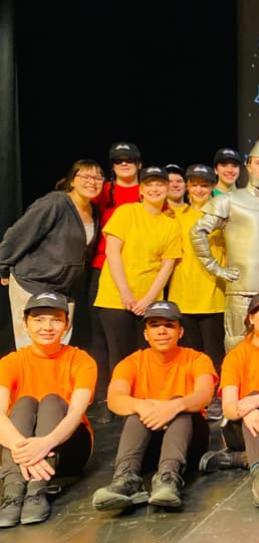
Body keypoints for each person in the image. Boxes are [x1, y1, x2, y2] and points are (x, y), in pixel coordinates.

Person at [92, 301, 216, 511]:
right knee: (135, 411)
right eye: (155, 325)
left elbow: (204, 394)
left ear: (180, 331)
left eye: (169, 325)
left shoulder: (198, 359)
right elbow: (114, 398)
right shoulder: (131, 363)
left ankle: (168, 478)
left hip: (189, 442)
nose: (161, 331)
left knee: (180, 407)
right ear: (146, 333)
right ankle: (125, 479)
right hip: (149, 443)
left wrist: (174, 406)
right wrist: (144, 406)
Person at [192, 129, 259, 352]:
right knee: (237, 347)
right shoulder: (230, 200)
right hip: (241, 291)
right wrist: (215, 268)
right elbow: (198, 231)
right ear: (249, 166)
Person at [0, 292, 96, 527]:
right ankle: (13, 492)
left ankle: (36, 490)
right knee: (24, 403)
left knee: (52, 400)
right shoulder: (11, 362)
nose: (47, 326)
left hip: (67, 447)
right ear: (25, 324)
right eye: (39, 319)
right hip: (21, 452)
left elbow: (75, 415)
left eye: (55, 319)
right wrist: (25, 451)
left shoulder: (81, 360)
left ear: (66, 324)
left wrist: (45, 443)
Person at [200, 292, 259, 507]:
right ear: (251, 318)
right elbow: (229, 408)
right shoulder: (236, 357)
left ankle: (239, 459)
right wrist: (252, 408)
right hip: (242, 427)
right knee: (253, 398)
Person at [93, 166, 181, 384]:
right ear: (141, 190)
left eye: (160, 184)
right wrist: (125, 293)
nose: (155, 189)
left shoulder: (171, 224)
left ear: (168, 188)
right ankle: (118, 407)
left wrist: (148, 300)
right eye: (149, 184)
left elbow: (167, 266)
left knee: (149, 357)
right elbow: (112, 253)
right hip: (116, 299)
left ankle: (146, 402)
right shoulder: (126, 212)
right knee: (120, 357)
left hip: (150, 301)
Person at [0, 159, 102, 348]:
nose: (92, 181)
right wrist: (3, 266)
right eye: (86, 176)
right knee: (31, 344)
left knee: (59, 344)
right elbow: (19, 234)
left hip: (63, 289)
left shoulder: (94, 212)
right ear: (72, 180)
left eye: (97, 177)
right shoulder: (55, 202)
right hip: (32, 283)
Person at [88, 142, 142, 416]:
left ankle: (132, 394)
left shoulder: (148, 190)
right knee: (101, 338)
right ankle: (103, 399)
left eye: (129, 160)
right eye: (119, 161)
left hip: (141, 271)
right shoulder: (104, 191)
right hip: (102, 265)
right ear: (112, 165)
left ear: (138, 164)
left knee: (133, 338)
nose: (124, 164)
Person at [167, 164, 226, 383]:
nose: (199, 190)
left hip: (214, 297)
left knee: (215, 355)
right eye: (194, 185)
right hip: (183, 297)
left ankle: (216, 399)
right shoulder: (176, 216)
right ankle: (195, 401)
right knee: (189, 355)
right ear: (187, 187)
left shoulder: (222, 217)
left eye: (204, 185)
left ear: (212, 187)